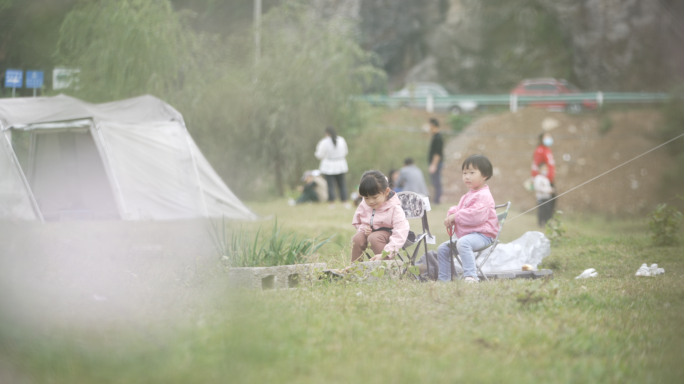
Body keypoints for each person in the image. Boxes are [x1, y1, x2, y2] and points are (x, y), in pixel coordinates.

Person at [435, 155, 499, 283]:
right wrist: (451, 215)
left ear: (484, 175)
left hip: (483, 235)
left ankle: (471, 276)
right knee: (443, 248)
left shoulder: (484, 195)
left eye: (472, 172)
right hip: (470, 236)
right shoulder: (469, 195)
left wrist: (456, 216)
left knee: (463, 243)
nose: (467, 176)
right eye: (464, 173)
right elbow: (459, 209)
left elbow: (476, 215)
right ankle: (444, 280)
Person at [350, 170, 410, 263]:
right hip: (372, 234)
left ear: (386, 192)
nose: (370, 202)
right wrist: (365, 229)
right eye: (366, 198)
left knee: (373, 237)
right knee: (357, 239)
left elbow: (400, 231)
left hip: (390, 236)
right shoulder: (364, 205)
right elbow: (359, 222)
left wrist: (386, 253)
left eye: (374, 197)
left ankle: (386, 267)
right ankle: (355, 270)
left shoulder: (394, 208)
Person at [315, 126, 350, 209]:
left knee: (330, 185)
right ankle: (345, 202)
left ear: (327, 133)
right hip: (340, 164)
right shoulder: (341, 140)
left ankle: (332, 203)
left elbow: (319, 155)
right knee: (342, 184)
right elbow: (345, 152)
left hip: (328, 165)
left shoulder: (324, 142)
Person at [531, 132, 556, 212]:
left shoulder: (548, 150)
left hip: (550, 179)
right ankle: (544, 220)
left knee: (552, 200)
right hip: (544, 180)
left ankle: (549, 219)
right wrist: (534, 177)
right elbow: (536, 165)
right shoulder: (539, 150)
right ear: (541, 139)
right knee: (545, 202)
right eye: (546, 137)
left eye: (549, 136)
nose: (548, 138)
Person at [427, 118, 444, 204]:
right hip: (435, 163)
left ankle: (437, 200)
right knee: (435, 181)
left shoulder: (438, 138)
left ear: (433, 126)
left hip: (436, 163)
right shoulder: (435, 136)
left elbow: (437, 154)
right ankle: (436, 199)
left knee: (436, 181)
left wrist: (434, 165)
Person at [534, 163, 555, 227]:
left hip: (547, 198)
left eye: (546, 169)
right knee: (541, 211)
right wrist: (548, 191)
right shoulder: (538, 178)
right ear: (539, 169)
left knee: (548, 210)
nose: (545, 170)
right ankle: (540, 224)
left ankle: (547, 223)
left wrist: (551, 189)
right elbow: (538, 188)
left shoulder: (546, 179)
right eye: (543, 169)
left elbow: (548, 187)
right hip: (541, 198)